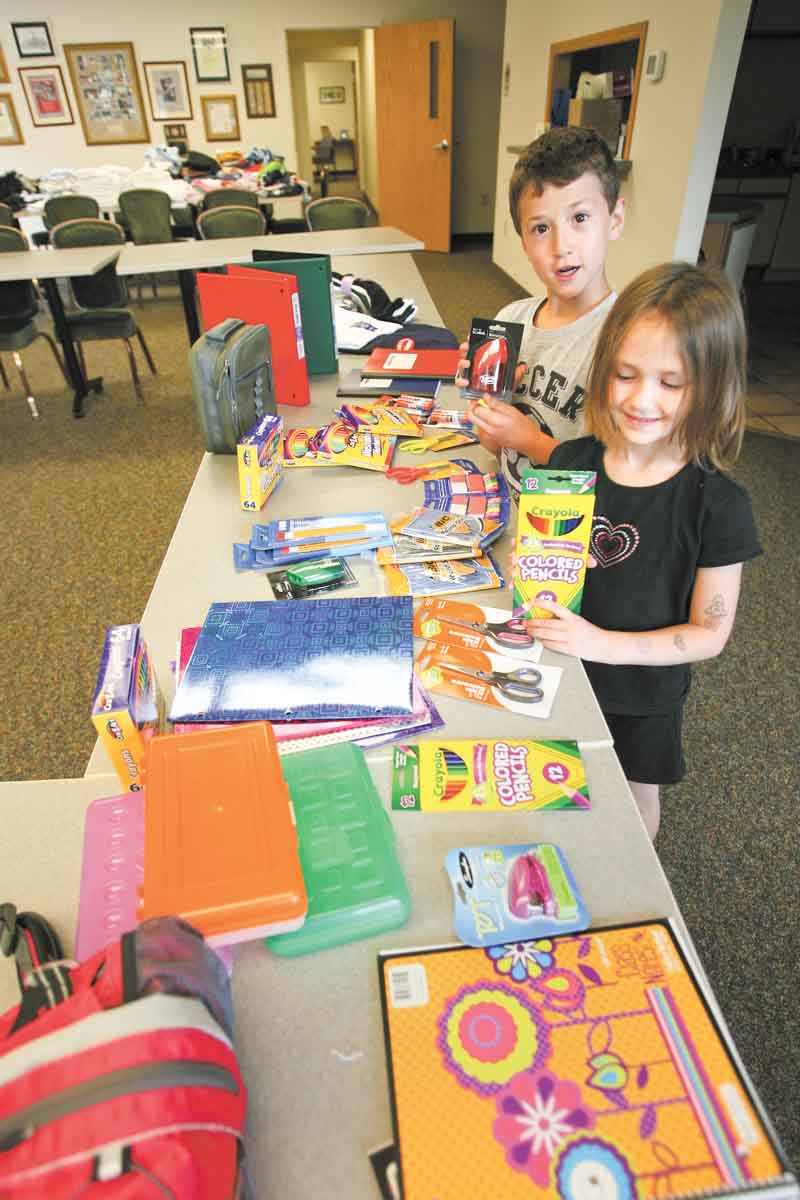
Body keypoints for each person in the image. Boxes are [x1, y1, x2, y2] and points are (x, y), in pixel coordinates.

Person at [524, 262, 762, 841]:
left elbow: (710, 633)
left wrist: (602, 644)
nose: (641, 399)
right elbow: (545, 561)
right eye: (625, 374)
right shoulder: (572, 462)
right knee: (552, 781)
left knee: (631, 798)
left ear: (711, 388)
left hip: (641, 694)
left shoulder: (718, 505)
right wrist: (532, 566)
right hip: (559, 669)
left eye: (670, 383)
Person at [461, 126, 626, 498]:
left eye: (580, 218)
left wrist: (530, 440)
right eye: (540, 228)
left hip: (568, 540)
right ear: (522, 240)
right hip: (511, 517)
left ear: (614, 219)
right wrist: (488, 412)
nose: (560, 246)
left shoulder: (628, 340)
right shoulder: (511, 319)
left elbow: (621, 476)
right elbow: (497, 448)